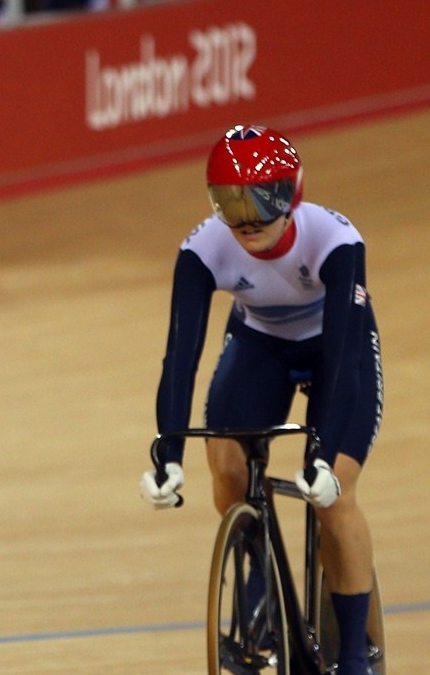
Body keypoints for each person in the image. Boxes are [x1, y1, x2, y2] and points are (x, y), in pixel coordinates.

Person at [139, 125, 382, 675]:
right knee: (226, 467)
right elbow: (180, 357)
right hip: (260, 345)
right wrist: (168, 455)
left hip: (334, 349)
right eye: (229, 201)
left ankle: (352, 656)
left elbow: (341, 363)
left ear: (290, 194)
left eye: (258, 200)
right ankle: (258, 586)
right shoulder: (203, 248)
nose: (245, 218)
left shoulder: (336, 242)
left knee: (334, 498)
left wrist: (321, 460)